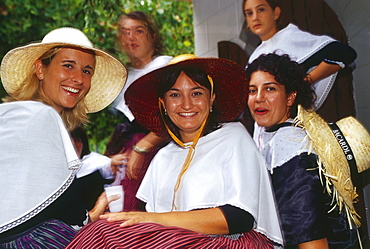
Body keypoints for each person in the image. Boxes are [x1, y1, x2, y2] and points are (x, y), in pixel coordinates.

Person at [66, 54, 284, 248]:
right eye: (175, 95)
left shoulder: (233, 137)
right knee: (100, 231)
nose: (186, 105)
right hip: (177, 241)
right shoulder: (164, 157)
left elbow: (239, 218)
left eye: (196, 93)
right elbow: (151, 222)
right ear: (163, 104)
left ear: (212, 99)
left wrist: (156, 220)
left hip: (233, 242)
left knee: (105, 233)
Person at [0, 27, 127, 247]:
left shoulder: (16, 115)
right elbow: (65, 207)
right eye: (68, 66)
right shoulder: (42, 115)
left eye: (87, 71)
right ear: (40, 69)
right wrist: (93, 214)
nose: (78, 78)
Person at [245, 52, 360, 248]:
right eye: (252, 90)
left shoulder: (290, 147)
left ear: (290, 97)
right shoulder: (282, 136)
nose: (259, 98)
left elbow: (311, 240)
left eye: (270, 89)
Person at [242, 0, 357, 123]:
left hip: (298, 125)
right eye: (249, 13)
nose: (255, 17)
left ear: (276, 13)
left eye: (261, 10)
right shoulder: (255, 56)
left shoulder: (291, 37)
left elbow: (344, 53)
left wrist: (305, 81)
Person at [108, 11, 173, 211]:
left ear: (152, 36)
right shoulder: (121, 77)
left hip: (160, 150)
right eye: (125, 32)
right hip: (129, 154)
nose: (131, 37)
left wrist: (141, 148)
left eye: (139, 31)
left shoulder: (166, 66)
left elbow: (173, 120)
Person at [71, 126, 126, 211]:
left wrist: (113, 162)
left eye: (77, 140)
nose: (74, 145)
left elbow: (109, 166)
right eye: (69, 141)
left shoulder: (95, 161)